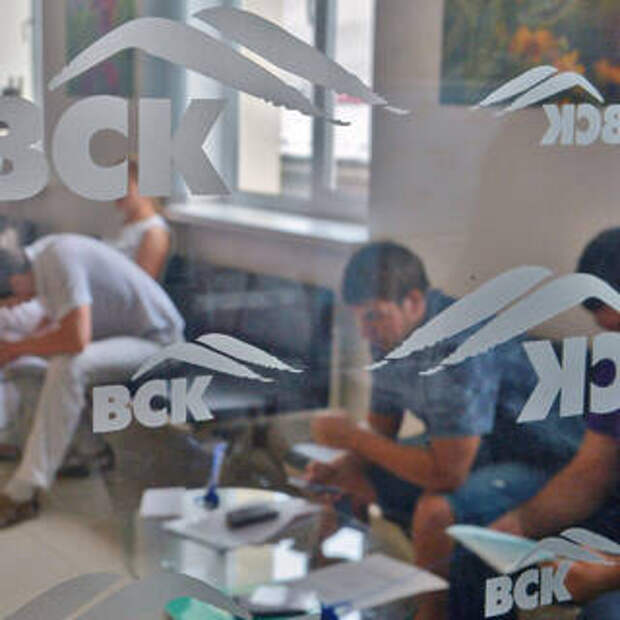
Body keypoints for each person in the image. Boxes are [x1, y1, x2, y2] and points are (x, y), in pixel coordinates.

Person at [305, 241, 584, 620]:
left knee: (435, 512)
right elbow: (381, 432)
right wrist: (343, 466)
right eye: (360, 319)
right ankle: (334, 587)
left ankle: (432, 614)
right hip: (479, 447)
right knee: (352, 474)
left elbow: (447, 474)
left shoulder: (458, 345)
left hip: (546, 458)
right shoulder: (389, 335)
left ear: (414, 301)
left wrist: (352, 437)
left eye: (373, 317)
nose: (365, 332)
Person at [0, 234, 185, 527]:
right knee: (29, 362)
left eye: (7, 301)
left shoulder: (58, 258)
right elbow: (52, 327)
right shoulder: (42, 262)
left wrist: (15, 348)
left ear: (16, 280)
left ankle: (24, 491)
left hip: (159, 342)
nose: (10, 307)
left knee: (69, 365)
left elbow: (75, 339)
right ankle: (86, 449)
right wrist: (16, 351)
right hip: (120, 338)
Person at [0, 159, 171, 459]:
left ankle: (51, 440)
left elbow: (140, 290)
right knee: (13, 332)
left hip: (114, 321)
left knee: (16, 331)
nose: (117, 193)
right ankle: (16, 428)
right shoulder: (118, 228)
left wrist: (28, 343)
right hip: (86, 308)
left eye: (124, 186)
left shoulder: (154, 231)